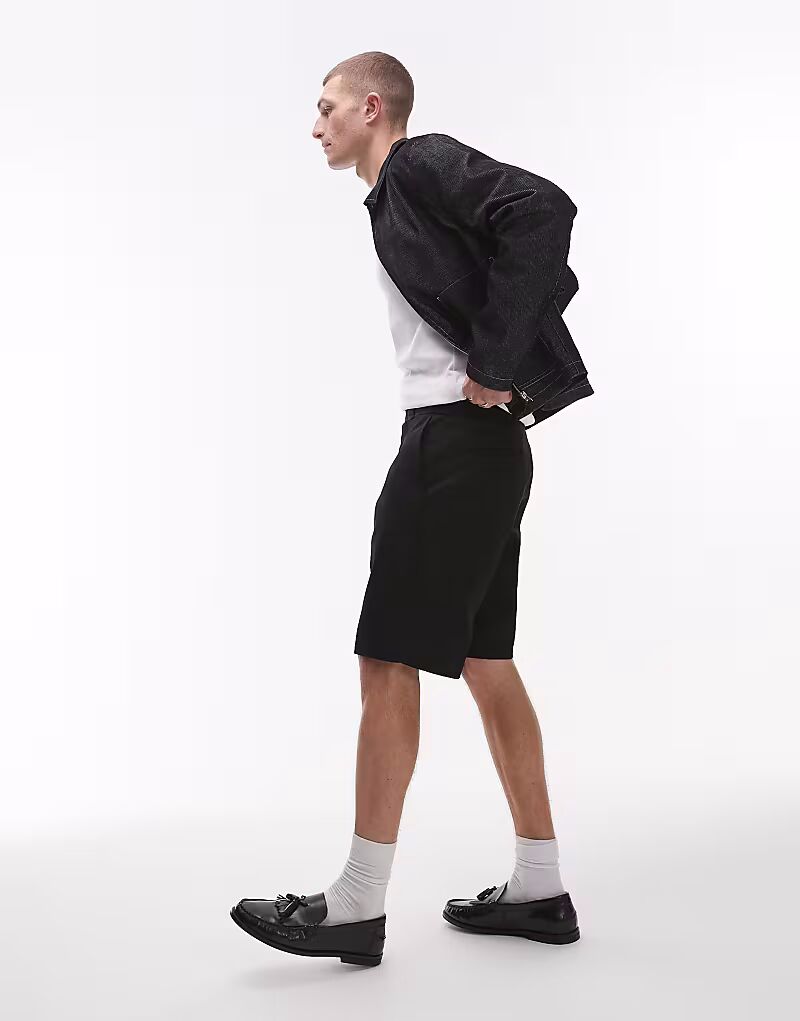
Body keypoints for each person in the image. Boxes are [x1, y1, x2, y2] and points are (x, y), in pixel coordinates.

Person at [230, 51, 585, 967]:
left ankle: (355, 903)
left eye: (327, 107)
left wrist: (496, 361)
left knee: (386, 657)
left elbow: (543, 209)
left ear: (372, 108)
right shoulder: (392, 202)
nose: (316, 125)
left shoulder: (418, 163)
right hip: (483, 449)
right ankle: (540, 886)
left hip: (454, 445)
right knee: (486, 660)